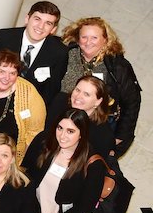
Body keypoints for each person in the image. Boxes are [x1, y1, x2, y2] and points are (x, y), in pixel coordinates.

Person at [59, 16, 141, 155]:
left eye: (94, 38)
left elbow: (132, 103)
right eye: (84, 37)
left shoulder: (118, 66)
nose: (88, 42)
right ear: (78, 39)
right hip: (64, 119)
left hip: (100, 123)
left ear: (105, 40)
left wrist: (120, 136)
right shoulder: (66, 55)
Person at [0, 1, 67, 107]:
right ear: (27, 19)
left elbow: (51, 91)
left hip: (27, 107)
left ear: (53, 29)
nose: (41, 26)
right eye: (37, 19)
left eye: (48, 23)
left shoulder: (59, 53)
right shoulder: (3, 38)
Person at [46, 75, 114, 156]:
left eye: (86, 94)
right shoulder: (59, 101)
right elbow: (46, 135)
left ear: (98, 101)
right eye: (77, 90)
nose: (78, 97)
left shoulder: (102, 135)